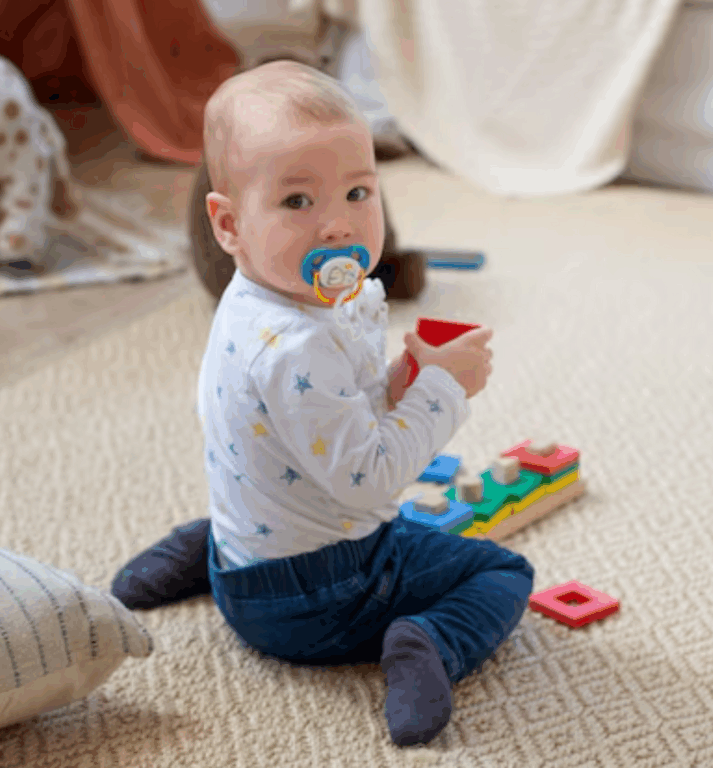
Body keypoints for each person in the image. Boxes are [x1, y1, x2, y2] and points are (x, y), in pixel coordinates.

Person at [111, 60, 534, 748]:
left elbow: (322, 414)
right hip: (321, 597)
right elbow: (365, 477)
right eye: (298, 202)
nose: (338, 226)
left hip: (252, 564)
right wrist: (444, 391)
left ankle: (211, 549)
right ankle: (428, 643)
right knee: (502, 571)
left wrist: (400, 379)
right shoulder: (295, 345)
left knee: (267, 471)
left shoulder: (265, 296)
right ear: (228, 225)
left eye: (358, 191)